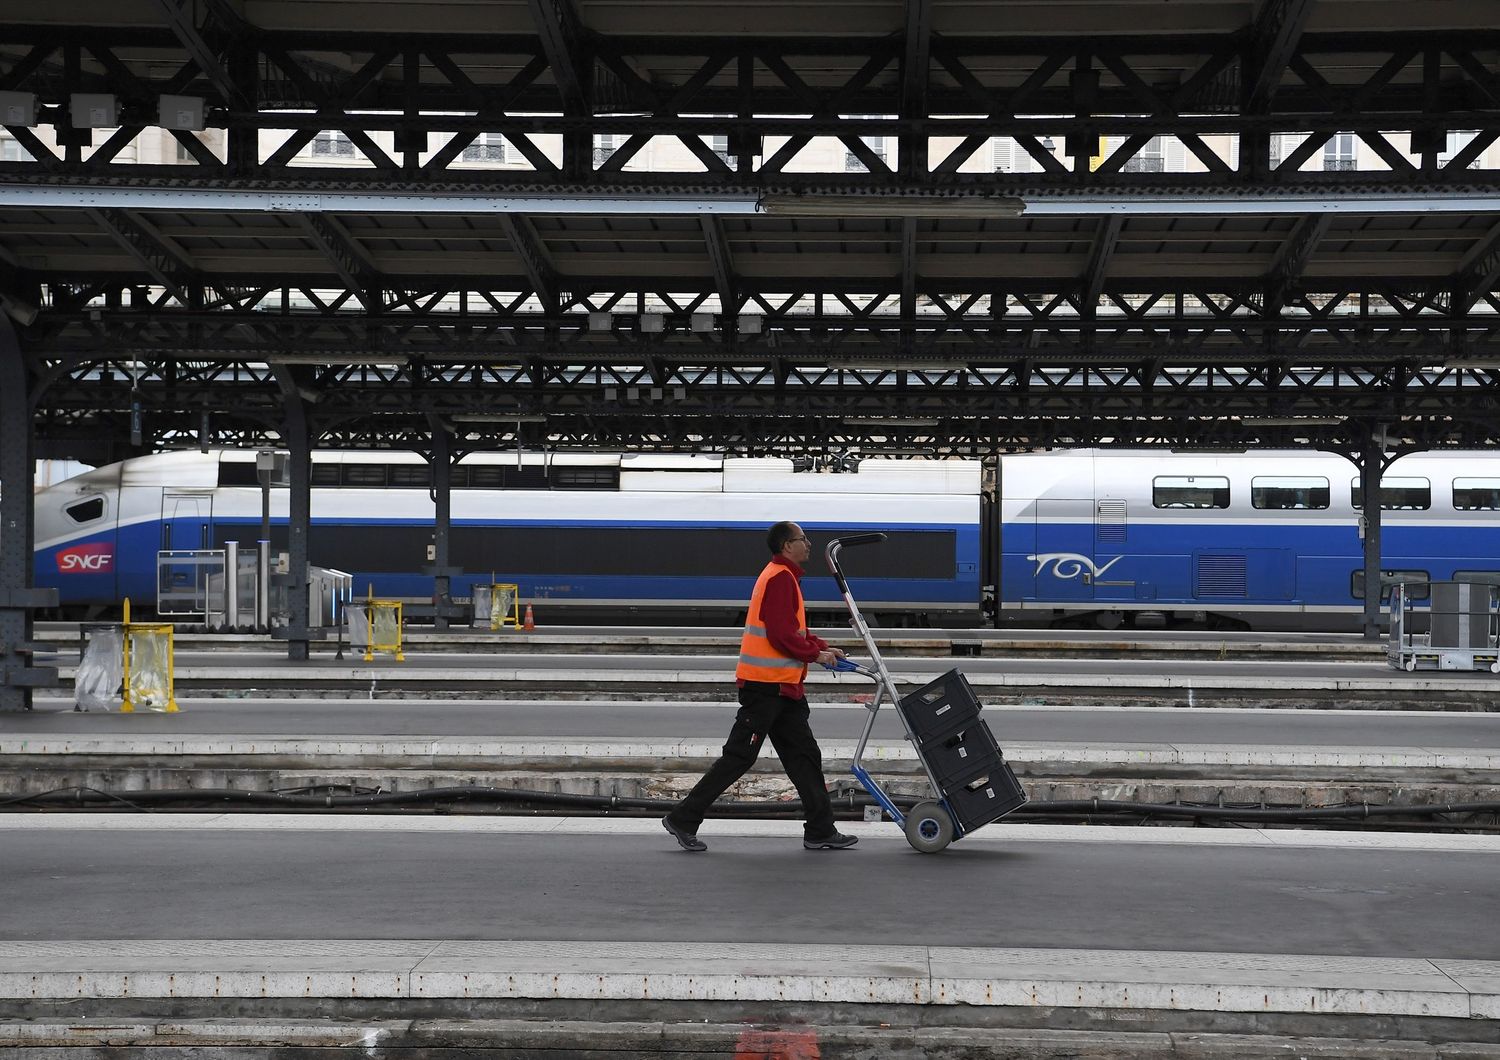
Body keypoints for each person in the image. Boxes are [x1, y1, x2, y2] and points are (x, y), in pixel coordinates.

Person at [662, 521, 859, 852]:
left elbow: (793, 632)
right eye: (802, 539)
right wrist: (817, 655)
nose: (808, 544)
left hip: (783, 691)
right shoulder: (779, 578)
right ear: (786, 546)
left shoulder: (784, 577)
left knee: (805, 758)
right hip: (765, 690)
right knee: (739, 758)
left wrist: (823, 646)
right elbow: (780, 637)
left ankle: (820, 829)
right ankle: (683, 818)